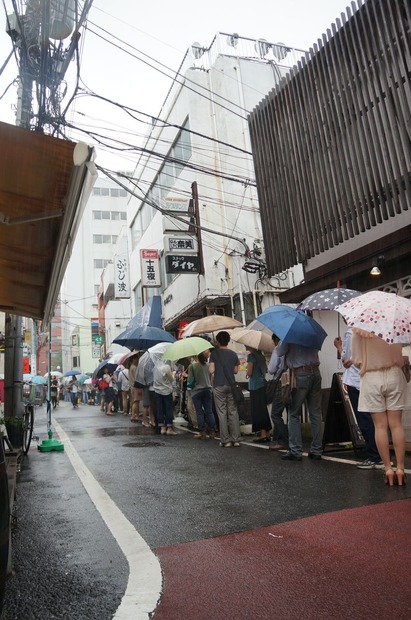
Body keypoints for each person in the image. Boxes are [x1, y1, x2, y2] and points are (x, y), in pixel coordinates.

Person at [351, 329, 408, 486]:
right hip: (394, 374)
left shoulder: (358, 331)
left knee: (380, 426)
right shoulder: (394, 326)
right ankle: (401, 469)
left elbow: (356, 360)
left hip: (371, 377)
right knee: (396, 424)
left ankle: (388, 469)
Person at [334, 329, 383, 469]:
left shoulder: (351, 332)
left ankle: (374, 456)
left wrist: (338, 346)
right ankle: (381, 455)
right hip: (372, 379)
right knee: (377, 420)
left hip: (356, 380)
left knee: (364, 419)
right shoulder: (373, 329)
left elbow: (347, 358)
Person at [275, 340, 323, 461]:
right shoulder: (311, 334)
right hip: (316, 372)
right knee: (315, 414)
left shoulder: (290, 335)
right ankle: (316, 450)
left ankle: (296, 451)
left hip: (300, 374)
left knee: (293, 413)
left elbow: (279, 351)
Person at [208, 331, 241, 448]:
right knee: (233, 411)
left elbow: (211, 370)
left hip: (218, 385)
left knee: (222, 412)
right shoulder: (233, 354)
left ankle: (225, 440)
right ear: (228, 340)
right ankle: (236, 439)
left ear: (217, 341)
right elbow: (236, 370)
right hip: (231, 385)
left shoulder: (214, 354)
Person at [187, 350, 217, 440]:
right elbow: (211, 376)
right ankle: (212, 432)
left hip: (197, 391)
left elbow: (190, 380)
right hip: (207, 390)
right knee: (209, 411)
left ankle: (202, 433)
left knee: (199, 412)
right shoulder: (208, 365)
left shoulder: (192, 366)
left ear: (195, 356)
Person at [267, 335, 289, 449]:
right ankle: (294, 441)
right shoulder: (292, 346)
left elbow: (271, 370)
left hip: (282, 382)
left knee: (275, 413)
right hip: (294, 381)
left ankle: (283, 441)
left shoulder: (278, 349)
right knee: (291, 413)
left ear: (276, 340)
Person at [246, 347, 272, 443]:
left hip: (254, 386)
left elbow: (249, 372)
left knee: (258, 410)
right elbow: (265, 370)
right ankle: (268, 433)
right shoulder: (261, 356)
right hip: (262, 385)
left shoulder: (251, 356)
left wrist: (247, 372)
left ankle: (263, 434)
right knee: (263, 409)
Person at [153, 357, 176, 435]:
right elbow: (171, 379)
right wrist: (173, 374)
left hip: (157, 391)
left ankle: (162, 427)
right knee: (168, 409)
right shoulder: (166, 367)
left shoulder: (155, 368)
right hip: (166, 391)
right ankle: (169, 428)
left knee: (160, 409)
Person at [129, 353, 143, 422]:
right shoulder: (134, 367)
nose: (137, 360)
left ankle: (134, 415)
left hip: (132, 386)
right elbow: (137, 377)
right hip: (135, 386)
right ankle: (134, 416)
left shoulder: (131, 367)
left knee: (134, 401)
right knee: (136, 402)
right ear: (133, 359)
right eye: (136, 359)